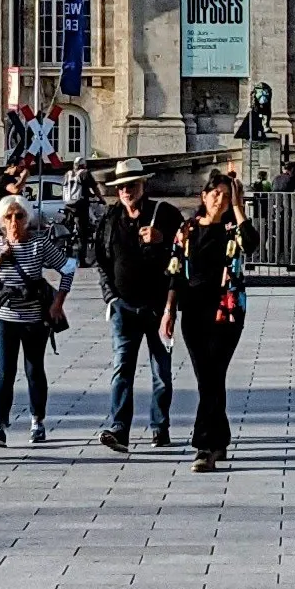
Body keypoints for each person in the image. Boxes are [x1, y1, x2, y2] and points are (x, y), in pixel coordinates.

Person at [90, 159, 180, 452]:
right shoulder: (110, 218)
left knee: (161, 373)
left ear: (144, 185)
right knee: (122, 369)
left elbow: (182, 256)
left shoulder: (164, 214)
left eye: (132, 185)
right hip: (124, 308)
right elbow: (100, 261)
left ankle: (159, 426)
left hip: (158, 308)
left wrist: (162, 240)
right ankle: (119, 428)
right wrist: (110, 298)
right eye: (122, 187)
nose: (127, 191)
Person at [163, 169, 247, 472]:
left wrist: (239, 207)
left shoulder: (233, 229)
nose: (220, 200)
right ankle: (221, 437)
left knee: (212, 375)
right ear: (204, 196)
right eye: (216, 194)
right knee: (208, 379)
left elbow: (250, 242)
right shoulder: (186, 230)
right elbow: (174, 272)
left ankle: (204, 446)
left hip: (227, 312)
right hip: (194, 312)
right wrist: (169, 311)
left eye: (226, 196)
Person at [0, 192, 71, 446]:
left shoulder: (39, 245)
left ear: (27, 219)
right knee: (4, 372)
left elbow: (68, 267)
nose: (14, 221)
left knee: (34, 369)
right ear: (1, 221)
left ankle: (37, 420)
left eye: (19, 216)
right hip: (3, 317)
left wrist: (58, 302)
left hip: (33, 319)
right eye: (9, 217)